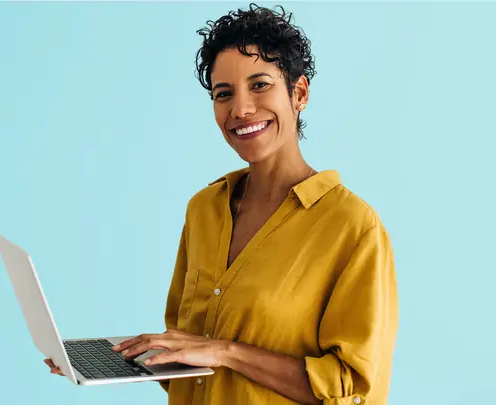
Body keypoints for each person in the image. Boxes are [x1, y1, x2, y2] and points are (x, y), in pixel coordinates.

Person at [46, 4, 398, 405]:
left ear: (298, 93)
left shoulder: (351, 227)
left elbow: (354, 390)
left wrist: (227, 352)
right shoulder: (205, 210)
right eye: (224, 94)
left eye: (260, 84)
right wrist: (115, 361)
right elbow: (191, 361)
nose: (241, 109)